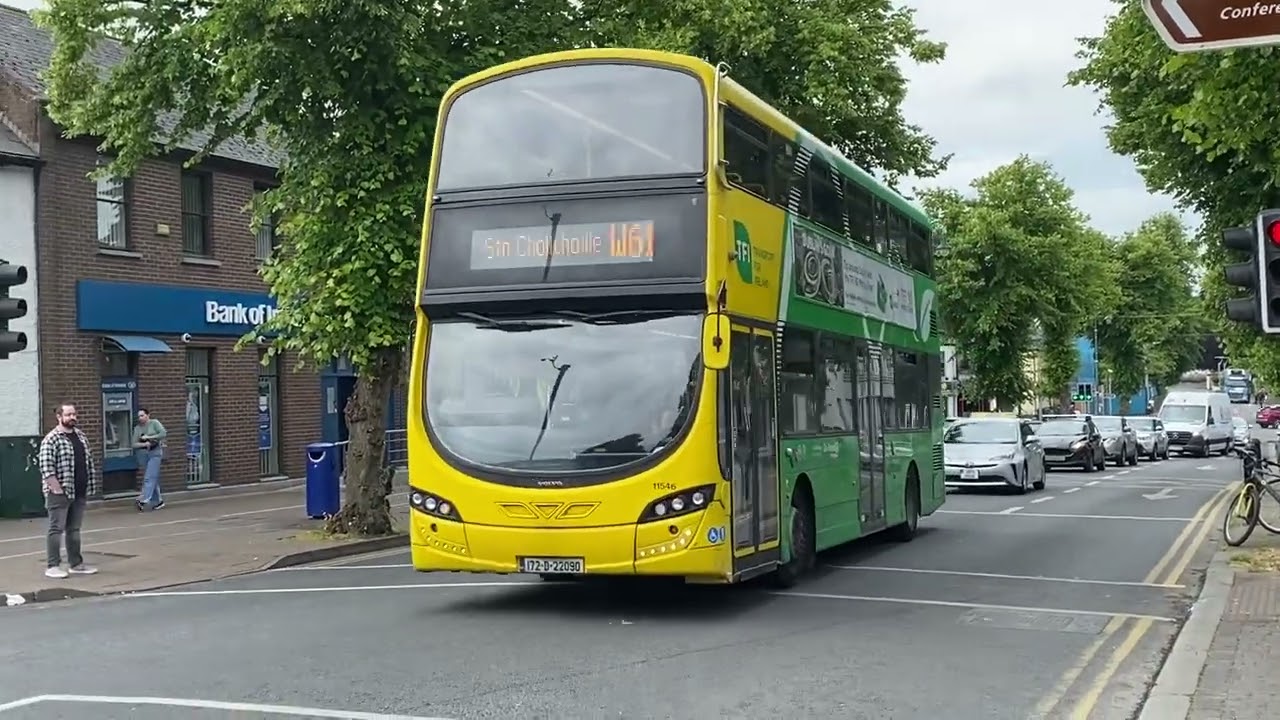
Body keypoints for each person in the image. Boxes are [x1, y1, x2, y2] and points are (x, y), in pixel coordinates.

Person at [37, 403, 99, 580]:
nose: (72, 417)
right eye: (68, 414)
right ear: (59, 417)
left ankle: (76, 564)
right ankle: (53, 566)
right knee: (56, 529)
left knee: (74, 529)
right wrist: (56, 489)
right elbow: (46, 467)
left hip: (79, 491)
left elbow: (88, 461)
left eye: (74, 414)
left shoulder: (81, 436)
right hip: (59, 494)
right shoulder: (52, 439)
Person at [132, 408, 167, 511]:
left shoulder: (154, 423)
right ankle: (158, 501)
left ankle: (144, 499)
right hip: (144, 454)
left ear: (148, 415)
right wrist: (144, 444)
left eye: (142, 415)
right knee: (152, 477)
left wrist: (150, 437)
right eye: (139, 416)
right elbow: (134, 444)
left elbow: (163, 433)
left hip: (155, 452)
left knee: (149, 477)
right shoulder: (137, 428)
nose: (140, 418)